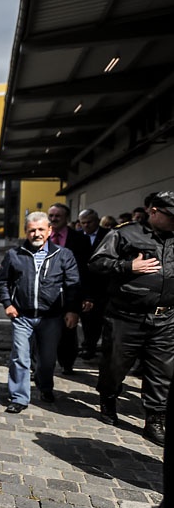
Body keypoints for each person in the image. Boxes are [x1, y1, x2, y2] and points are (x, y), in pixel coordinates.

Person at [89, 190, 174, 447]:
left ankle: (155, 421)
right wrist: (127, 267)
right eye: (170, 216)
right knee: (115, 366)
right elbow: (97, 262)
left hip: (165, 318)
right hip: (126, 316)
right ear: (154, 211)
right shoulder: (125, 233)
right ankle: (108, 397)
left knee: (162, 372)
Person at [0, 211, 80, 414]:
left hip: (51, 317)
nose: (36, 234)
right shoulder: (14, 255)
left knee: (47, 359)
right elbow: (2, 282)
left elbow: (73, 286)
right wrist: (8, 303)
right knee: (20, 357)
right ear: (26, 231)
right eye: (32, 230)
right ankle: (19, 397)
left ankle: (45, 387)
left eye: (41, 229)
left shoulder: (63, 255)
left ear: (49, 230)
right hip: (22, 316)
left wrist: (72, 310)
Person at [47, 202, 91, 374]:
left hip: (69, 294)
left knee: (68, 332)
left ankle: (67, 363)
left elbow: (86, 271)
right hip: (45, 294)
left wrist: (87, 296)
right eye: (51, 215)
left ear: (66, 218)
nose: (53, 219)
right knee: (42, 332)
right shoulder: (39, 236)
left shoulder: (80, 239)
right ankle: (40, 367)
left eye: (57, 216)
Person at [77, 208, 110, 360]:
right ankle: (88, 346)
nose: (86, 226)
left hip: (104, 285)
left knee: (100, 319)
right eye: (83, 223)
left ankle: (101, 347)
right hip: (84, 284)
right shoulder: (77, 237)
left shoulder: (108, 235)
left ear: (97, 221)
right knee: (87, 319)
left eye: (89, 222)